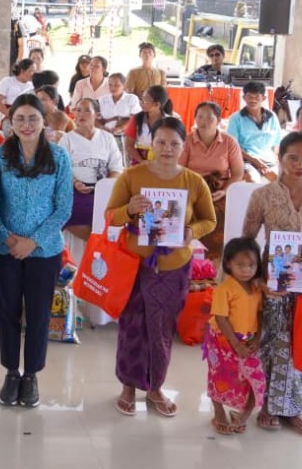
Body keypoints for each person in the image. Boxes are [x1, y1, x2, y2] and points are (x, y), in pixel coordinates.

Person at [107, 117, 216, 419]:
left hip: (175, 266)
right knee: (133, 327)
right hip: (136, 265)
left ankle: (156, 386)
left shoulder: (194, 181)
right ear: (150, 143)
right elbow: (110, 216)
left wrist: (191, 232)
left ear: (184, 146)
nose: (168, 149)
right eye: (161, 142)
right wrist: (129, 210)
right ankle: (128, 386)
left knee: (163, 329)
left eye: (175, 143)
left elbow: (210, 220)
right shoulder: (131, 176)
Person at [242, 132, 302, 435]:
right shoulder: (262, 195)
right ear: (281, 159)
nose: (301, 165)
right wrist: (256, 278)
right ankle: (270, 406)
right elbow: (247, 239)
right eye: (293, 158)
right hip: (276, 283)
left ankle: (295, 408)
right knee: (276, 344)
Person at [0, 93, 73, 409]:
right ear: (10, 122)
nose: (26, 125)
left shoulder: (59, 158)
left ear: (43, 122)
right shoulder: (0, 157)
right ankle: (12, 372)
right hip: (5, 247)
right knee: (8, 311)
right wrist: (9, 238)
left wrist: (34, 241)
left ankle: (32, 374)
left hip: (45, 249)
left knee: (38, 314)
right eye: (20, 119)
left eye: (33, 119)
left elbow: (62, 207)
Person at [205, 237, 266, 436]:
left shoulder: (257, 288)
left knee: (255, 379)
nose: (247, 270)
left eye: (251, 265)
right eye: (240, 265)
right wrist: (235, 344)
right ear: (228, 264)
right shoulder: (224, 289)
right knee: (220, 376)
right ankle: (218, 411)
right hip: (223, 340)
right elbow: (221, 319)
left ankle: (243, 414)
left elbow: (259, 313)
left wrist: (256, 340)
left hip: (248, 340)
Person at [179, 101, 244, 260]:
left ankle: (214, 261)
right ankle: (188, 259)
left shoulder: (229, 142)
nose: (204, 122)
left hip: (219, 191)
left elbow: (237, 173)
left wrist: (224, 191)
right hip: (193, 190)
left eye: (209, 118)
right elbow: (179, 170)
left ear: (218, 121)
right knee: (184, 214)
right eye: (200, 117)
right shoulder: (186, 141)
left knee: (219, 216)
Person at [59, 99, 124, 240]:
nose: (81, 114)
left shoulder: (107, 138)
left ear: (97, 115)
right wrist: (75, 182)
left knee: (114, 214)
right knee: (69, 211)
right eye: (78, 110)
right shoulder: (67, 139)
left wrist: (105, 187)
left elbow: (116, 166)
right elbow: (62, 169)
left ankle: (102, 245)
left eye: (87, 110)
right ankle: (95, 244)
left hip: (103, 190)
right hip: (74, 189)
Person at [227, 81, 282, 182]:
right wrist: (253, 160)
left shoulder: (272, 116)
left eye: (257, 97)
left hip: (267, 160)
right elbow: (233, 146)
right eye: (249, 97)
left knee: (276, 179)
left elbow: (276, 143)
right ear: (244, 98)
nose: (253, 100)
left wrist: (274, 159)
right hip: (245, 160)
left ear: (263, 98)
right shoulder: (236, 118)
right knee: (252, 179)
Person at [125, 85, 174, 165]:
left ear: (157, 104)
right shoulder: (137, 119)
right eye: (142, 98)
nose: (141, 102)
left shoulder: (171, 122)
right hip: (140, 162)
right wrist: (142, 162)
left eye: (145, 99)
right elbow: (129, 146)